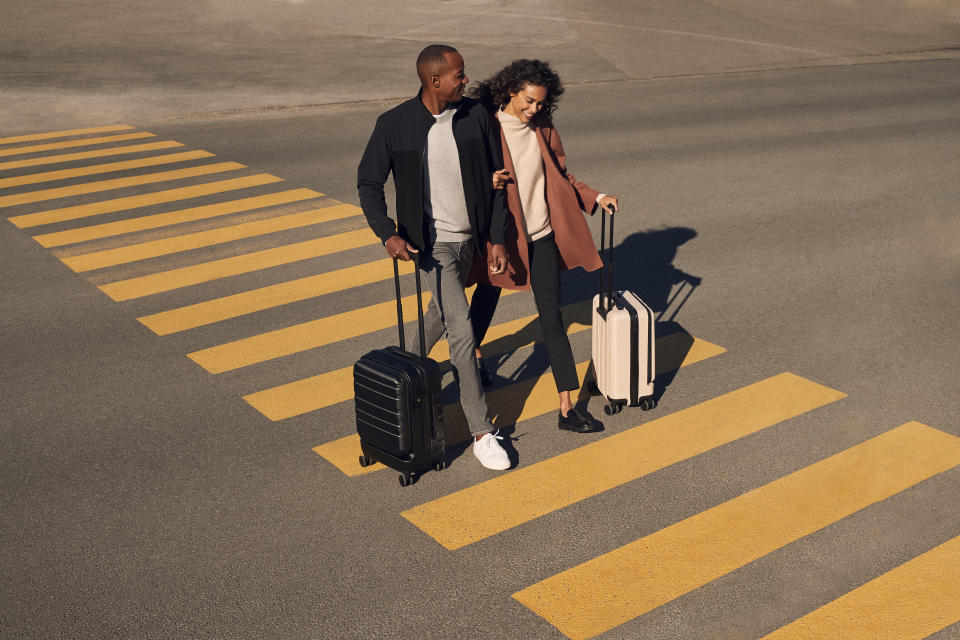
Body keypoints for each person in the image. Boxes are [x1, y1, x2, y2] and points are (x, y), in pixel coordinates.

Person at [357, 44, 513, 470]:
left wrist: (496, 238)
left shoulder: (476, 115)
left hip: (473, 241)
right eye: (459, 74)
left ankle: (399, 389)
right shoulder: (395, 125)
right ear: (435, 80)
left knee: (439, 317)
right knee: (461, 330)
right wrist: (387, 233)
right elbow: (368, 184)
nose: (466, 79)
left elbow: (499, 180)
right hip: (433, 245)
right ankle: (482, 431)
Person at [467, 59, 619, 433]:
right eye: (529, 101)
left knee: (553, 316)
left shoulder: (543, 127)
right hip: (502, 237)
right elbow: (465, 177)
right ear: (510, 91)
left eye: (540, 103)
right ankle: (472, 355)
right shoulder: (484, 125)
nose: (534, 109)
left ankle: (567, 407)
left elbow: (561, 174)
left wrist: (595, 196)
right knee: (486, 297)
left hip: (542, 235)